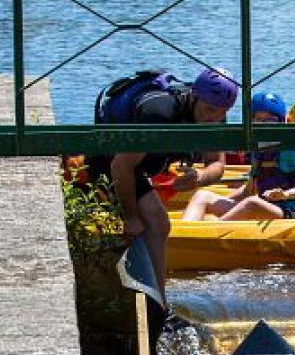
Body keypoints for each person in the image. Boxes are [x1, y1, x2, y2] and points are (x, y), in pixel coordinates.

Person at [88, 65, 238, 292]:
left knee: (155, 222)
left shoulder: (216, 116)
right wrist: (130, 216)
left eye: (220, 112)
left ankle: (154, 296)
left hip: (140, 166)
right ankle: (157, 301)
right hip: (107, 159)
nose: (212, 118)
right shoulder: (160, 113)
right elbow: (121, 165)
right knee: (157, 222)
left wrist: (200, 176)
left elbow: (217, 165)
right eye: (208, 110)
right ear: (194, 96)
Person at [181, 91, 295, 222]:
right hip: (264, 207)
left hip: (291, 212)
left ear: (280, 122)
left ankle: (208, 235)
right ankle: (183, 234)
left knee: (252, 203)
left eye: (269, 121)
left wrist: (286, 194)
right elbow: (248, 191)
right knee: (203, 196)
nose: (264, 125)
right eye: (258, 120)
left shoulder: (290, 148)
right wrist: (217, 202)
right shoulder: (258, 150)